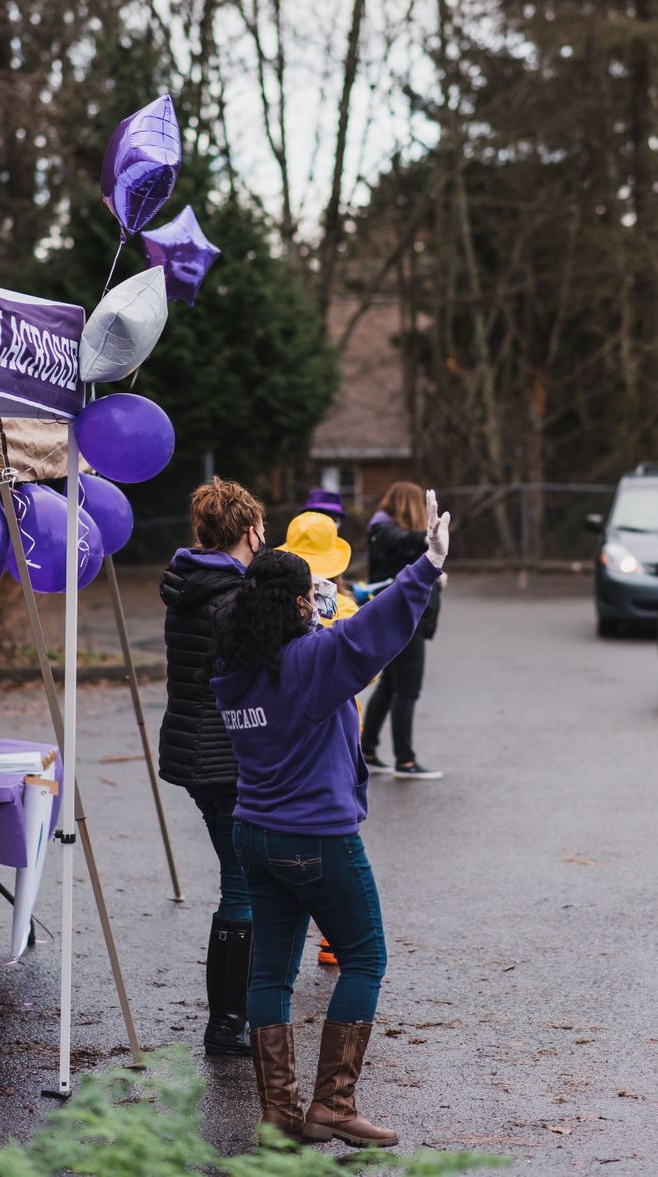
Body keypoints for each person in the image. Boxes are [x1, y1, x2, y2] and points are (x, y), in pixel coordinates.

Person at [212, 491, 451, 1146]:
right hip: (315, 837)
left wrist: (309, 616)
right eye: (308, 597)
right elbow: (367, 634)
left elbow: (333, 639)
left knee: (270, 977)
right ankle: (333, 1106)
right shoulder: (307, 665)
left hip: (253, 834)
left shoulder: (233, 670)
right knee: (366, 959)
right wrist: (426, 566)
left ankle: (280, 1114)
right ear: (296, 603)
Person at [157, 476, 267, 1057]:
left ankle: (234, 1015)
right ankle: (228, 1024)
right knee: (241, 884)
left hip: (193, 751)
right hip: (225, 755)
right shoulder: (231, 597)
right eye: (261, 529)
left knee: (238, 877)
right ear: (249, 531)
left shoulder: (189, 585)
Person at [278, 510, 360, 967]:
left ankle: (291, 921)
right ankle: (333, 935)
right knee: (336, 826)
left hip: (286, 726)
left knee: (292, 823)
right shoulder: (345, 608)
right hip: (340, 732)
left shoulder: (274, 605)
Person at [361, 481, 444, 779]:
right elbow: (407, 542)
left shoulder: (380, 530)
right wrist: (432, 538)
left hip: (396, 616)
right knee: (406, 690)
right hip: (406, 619)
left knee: (388, 687)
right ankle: (405, 761)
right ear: (411, 505)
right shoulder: (386, 532)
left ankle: (367, 751)